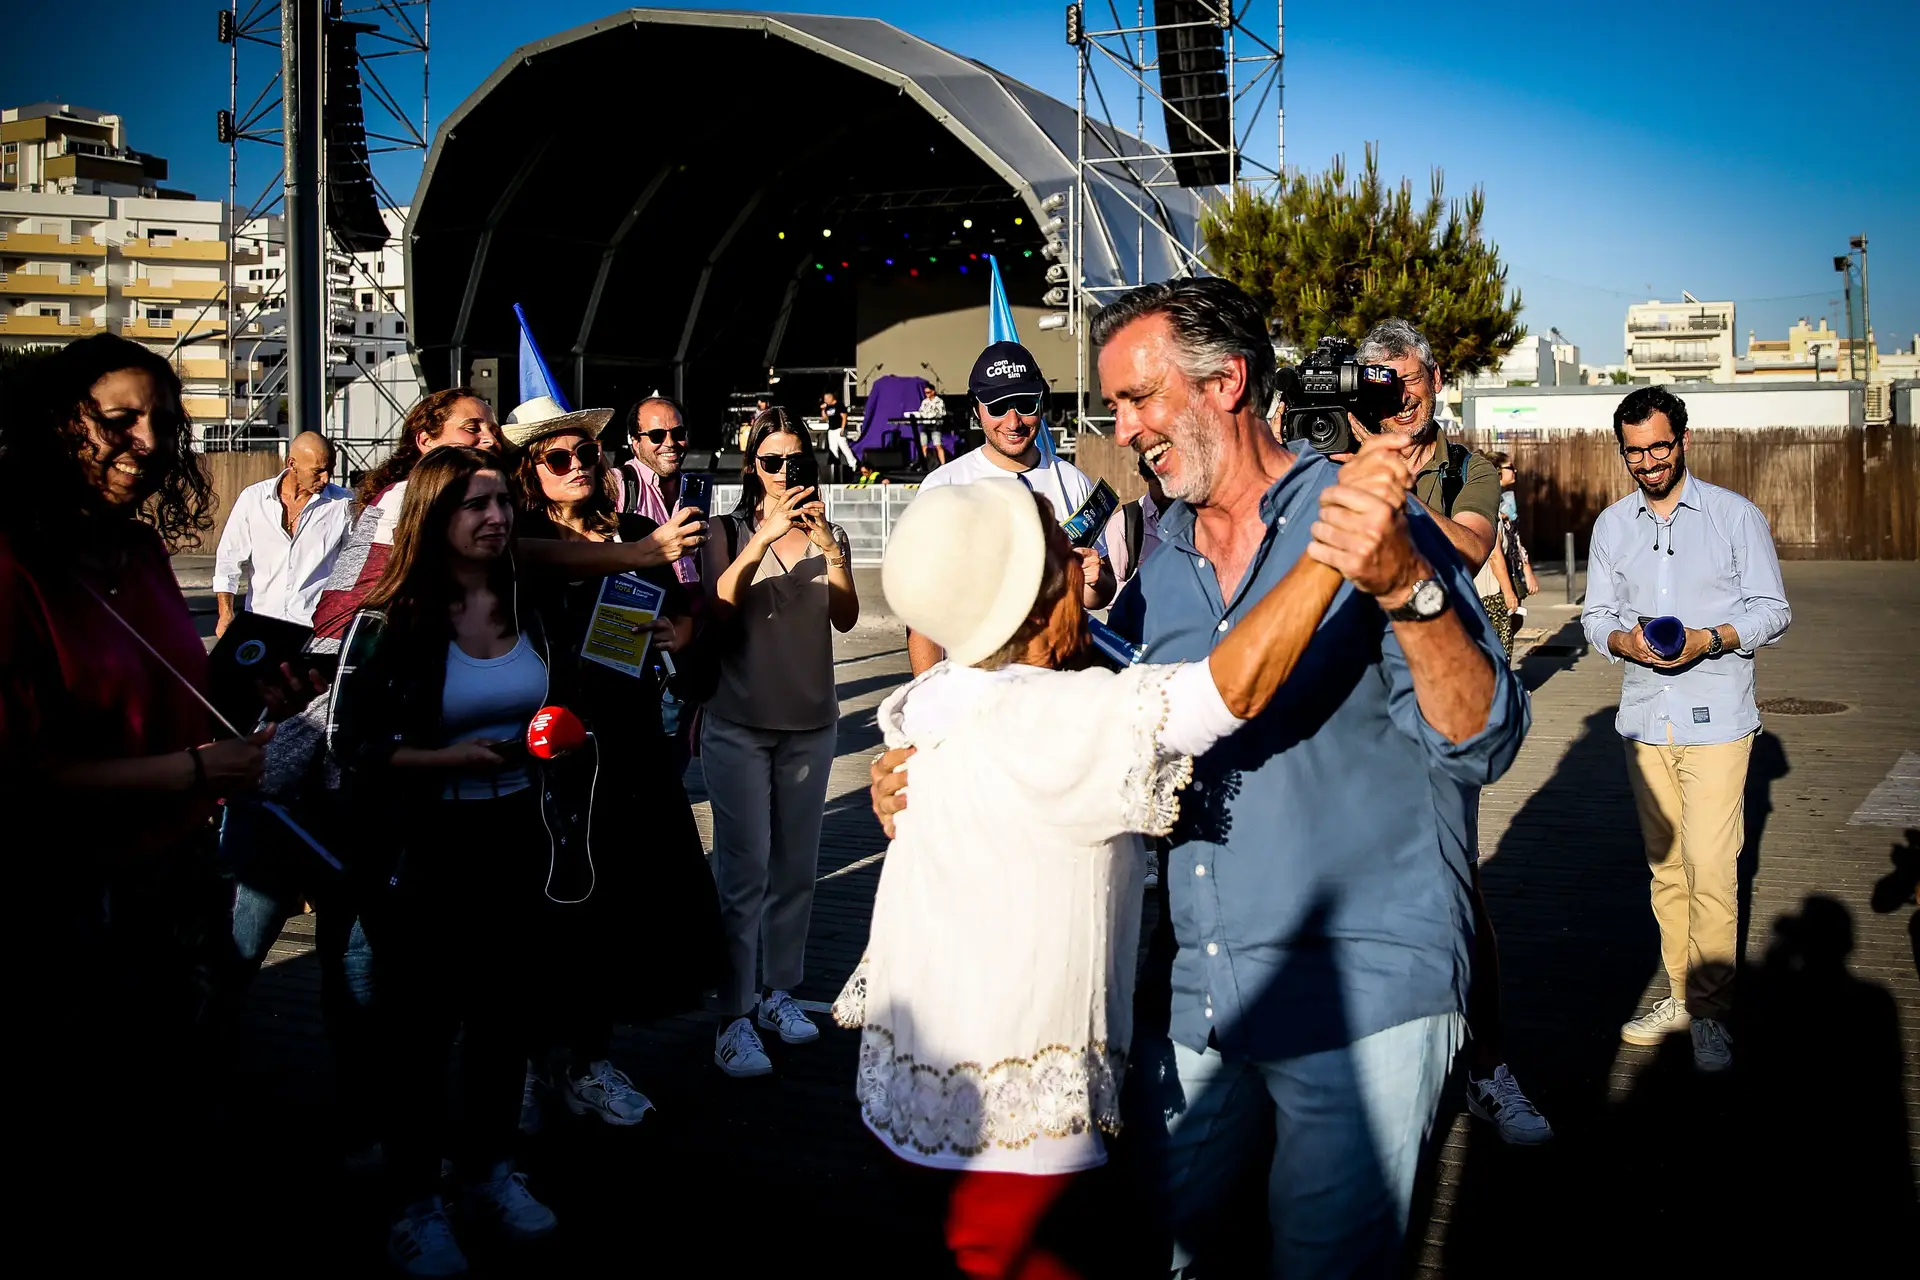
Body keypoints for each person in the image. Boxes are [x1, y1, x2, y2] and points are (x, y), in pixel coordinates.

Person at [875, 278, 1527, 1275]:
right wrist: (923, 763)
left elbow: (1484, 742)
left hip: (1364, 987)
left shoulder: (1366, 516)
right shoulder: (1159, 561)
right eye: (1114, 406)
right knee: (1168, 1249)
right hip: (1204, 987)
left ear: (1228, 381)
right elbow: (1066, 699)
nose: (1123, 429)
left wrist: (1406, 586)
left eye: (1139, 399)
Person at [840, 469, 1367, 1278]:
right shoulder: (1048, 716)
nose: (1084, 559)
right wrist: (1331, 551)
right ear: (1035, 594)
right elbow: (1228, 690)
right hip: (1011, 1138)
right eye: (1063, 551)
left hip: (911, 1097)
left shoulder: (942, 693)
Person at [0, 333, 273, 1259]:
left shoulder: (141, 549)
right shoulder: (13, 567)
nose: (149, 443)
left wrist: (242, 694)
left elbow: (164, 694)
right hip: (69, 899)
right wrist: (199, 772)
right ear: (50, 426)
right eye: (119, 421)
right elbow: (23, 776)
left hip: (179, 877)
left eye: (163, 422)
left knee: (184, 1098)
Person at [330, 445, 601, 1274]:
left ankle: (487, 1171)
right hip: (427, 850)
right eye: (473, 504)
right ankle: (415, 1204)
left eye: (500, 502)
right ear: (433, 517)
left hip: (521, 836)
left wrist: (559, 738)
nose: (495, 517)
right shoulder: (391, 620)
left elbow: (563, 703)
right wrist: (445, 762)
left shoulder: (531, 605)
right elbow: (348, 742)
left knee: (502, 1020)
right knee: (420, 1032)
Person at [1344, 319, 1553, 1145]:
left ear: (1434, 380)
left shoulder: (1467, 466)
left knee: (1456, 888)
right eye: (1380, 386)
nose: (1400, 400)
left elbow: (1466, 549)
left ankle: (1486, 1065)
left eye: (1411, 383)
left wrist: (1379, 495)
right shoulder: (1341, 453)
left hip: (1442, 690)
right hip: (1353, 696)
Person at [512, 403, 724, 1128]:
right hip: (548, 742)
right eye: (558, 458)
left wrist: (681, 627)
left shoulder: (637, 531)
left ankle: (590, 1057)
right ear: (531, 472)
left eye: (586, 454)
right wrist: (640, 555)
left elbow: (688, 606)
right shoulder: (520, 539)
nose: (578, 467)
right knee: (551, 907)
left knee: (619, 903)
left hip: (631, 738)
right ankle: (542, 1059)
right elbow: (543, 563)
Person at [1582, 386, 1790, 1073]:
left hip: (1720, 717)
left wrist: (1716, 637)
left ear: (1685, 441)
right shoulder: (1612, 525)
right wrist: (1621, 642)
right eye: (1634, 452)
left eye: (1659, 447)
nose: (1648, 463)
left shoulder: (1734, 517)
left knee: (1711, 866)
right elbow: (1594, 616)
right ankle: (1678, 994)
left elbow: (1773, 609)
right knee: (1666, 868)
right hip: (1644, 718)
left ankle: (1710, 1011)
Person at [699, 408, 859, 1077]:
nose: (784, 473)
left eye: (796, 461)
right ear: (751, 467)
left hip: (811, 721)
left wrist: (831, 551)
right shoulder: (724, 529)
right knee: (743, 872)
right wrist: (761, 539)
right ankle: (732, 1014)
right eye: (771, 461)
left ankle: (779, 994)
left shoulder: (830, 532)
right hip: (738, 721)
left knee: (796, 870)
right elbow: (719, 603)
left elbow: (847, 618)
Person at [907, 340, 1116, 675]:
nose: (1013, 421)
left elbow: (1099, 595)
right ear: (976, 409)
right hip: (974, 696)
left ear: (1041, 402)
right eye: (998, 407)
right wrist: (925, 698)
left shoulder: (1072, 481)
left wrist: (1094, 579)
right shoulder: (943, 487)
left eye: (1024, 404)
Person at [213, 430, 353, 633]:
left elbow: (356, 566)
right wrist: (225, 614)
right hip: (260, 625)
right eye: (318, 471)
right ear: (292, 464)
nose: (326, 478)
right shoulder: (254, 499)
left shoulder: (343, 504)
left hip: (316, 630)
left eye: (330, 470)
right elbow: (228, 559)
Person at [1101, 452, 1170, 589]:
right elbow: (1109, 589)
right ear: (1145, 477)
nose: (1168, 491)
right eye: (1160, 483)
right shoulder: (1123, 525)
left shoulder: (1195, 519)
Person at [1492, 452, 1542, 637]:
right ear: (1497, 471)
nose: (1515, 471)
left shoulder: (1507, 499)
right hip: (1496, 573)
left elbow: (1516, 539)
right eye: (1510, 467)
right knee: (1505, 624)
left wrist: (1527, 571)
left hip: (1512, 568)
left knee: (1515, 620)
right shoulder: (1488, 502)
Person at [820, 388, 861, 476]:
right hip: (831, 430)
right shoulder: (828, 407)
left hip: (839, 429)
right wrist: (823, 409)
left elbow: (844, 417)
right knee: (833, 448)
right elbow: (825, 418)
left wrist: (842, 428)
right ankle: (835, 464)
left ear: (831, 397)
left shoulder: (839, 405)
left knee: (844, 447)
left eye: (826, 398)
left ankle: (853, 464)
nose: (825, 400)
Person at [913, 381, 950, 468]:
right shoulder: (924, 402)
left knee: (937, 445)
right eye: (925, 393)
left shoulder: (939, 401)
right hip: (925, 424)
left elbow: (941, 413)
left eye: (928, 392)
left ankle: (943, 465)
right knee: (923, 446)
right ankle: (923, 464)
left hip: (935, 425)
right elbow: (921, 411)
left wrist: (929, 416)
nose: (927, 394)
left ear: (933, 391)